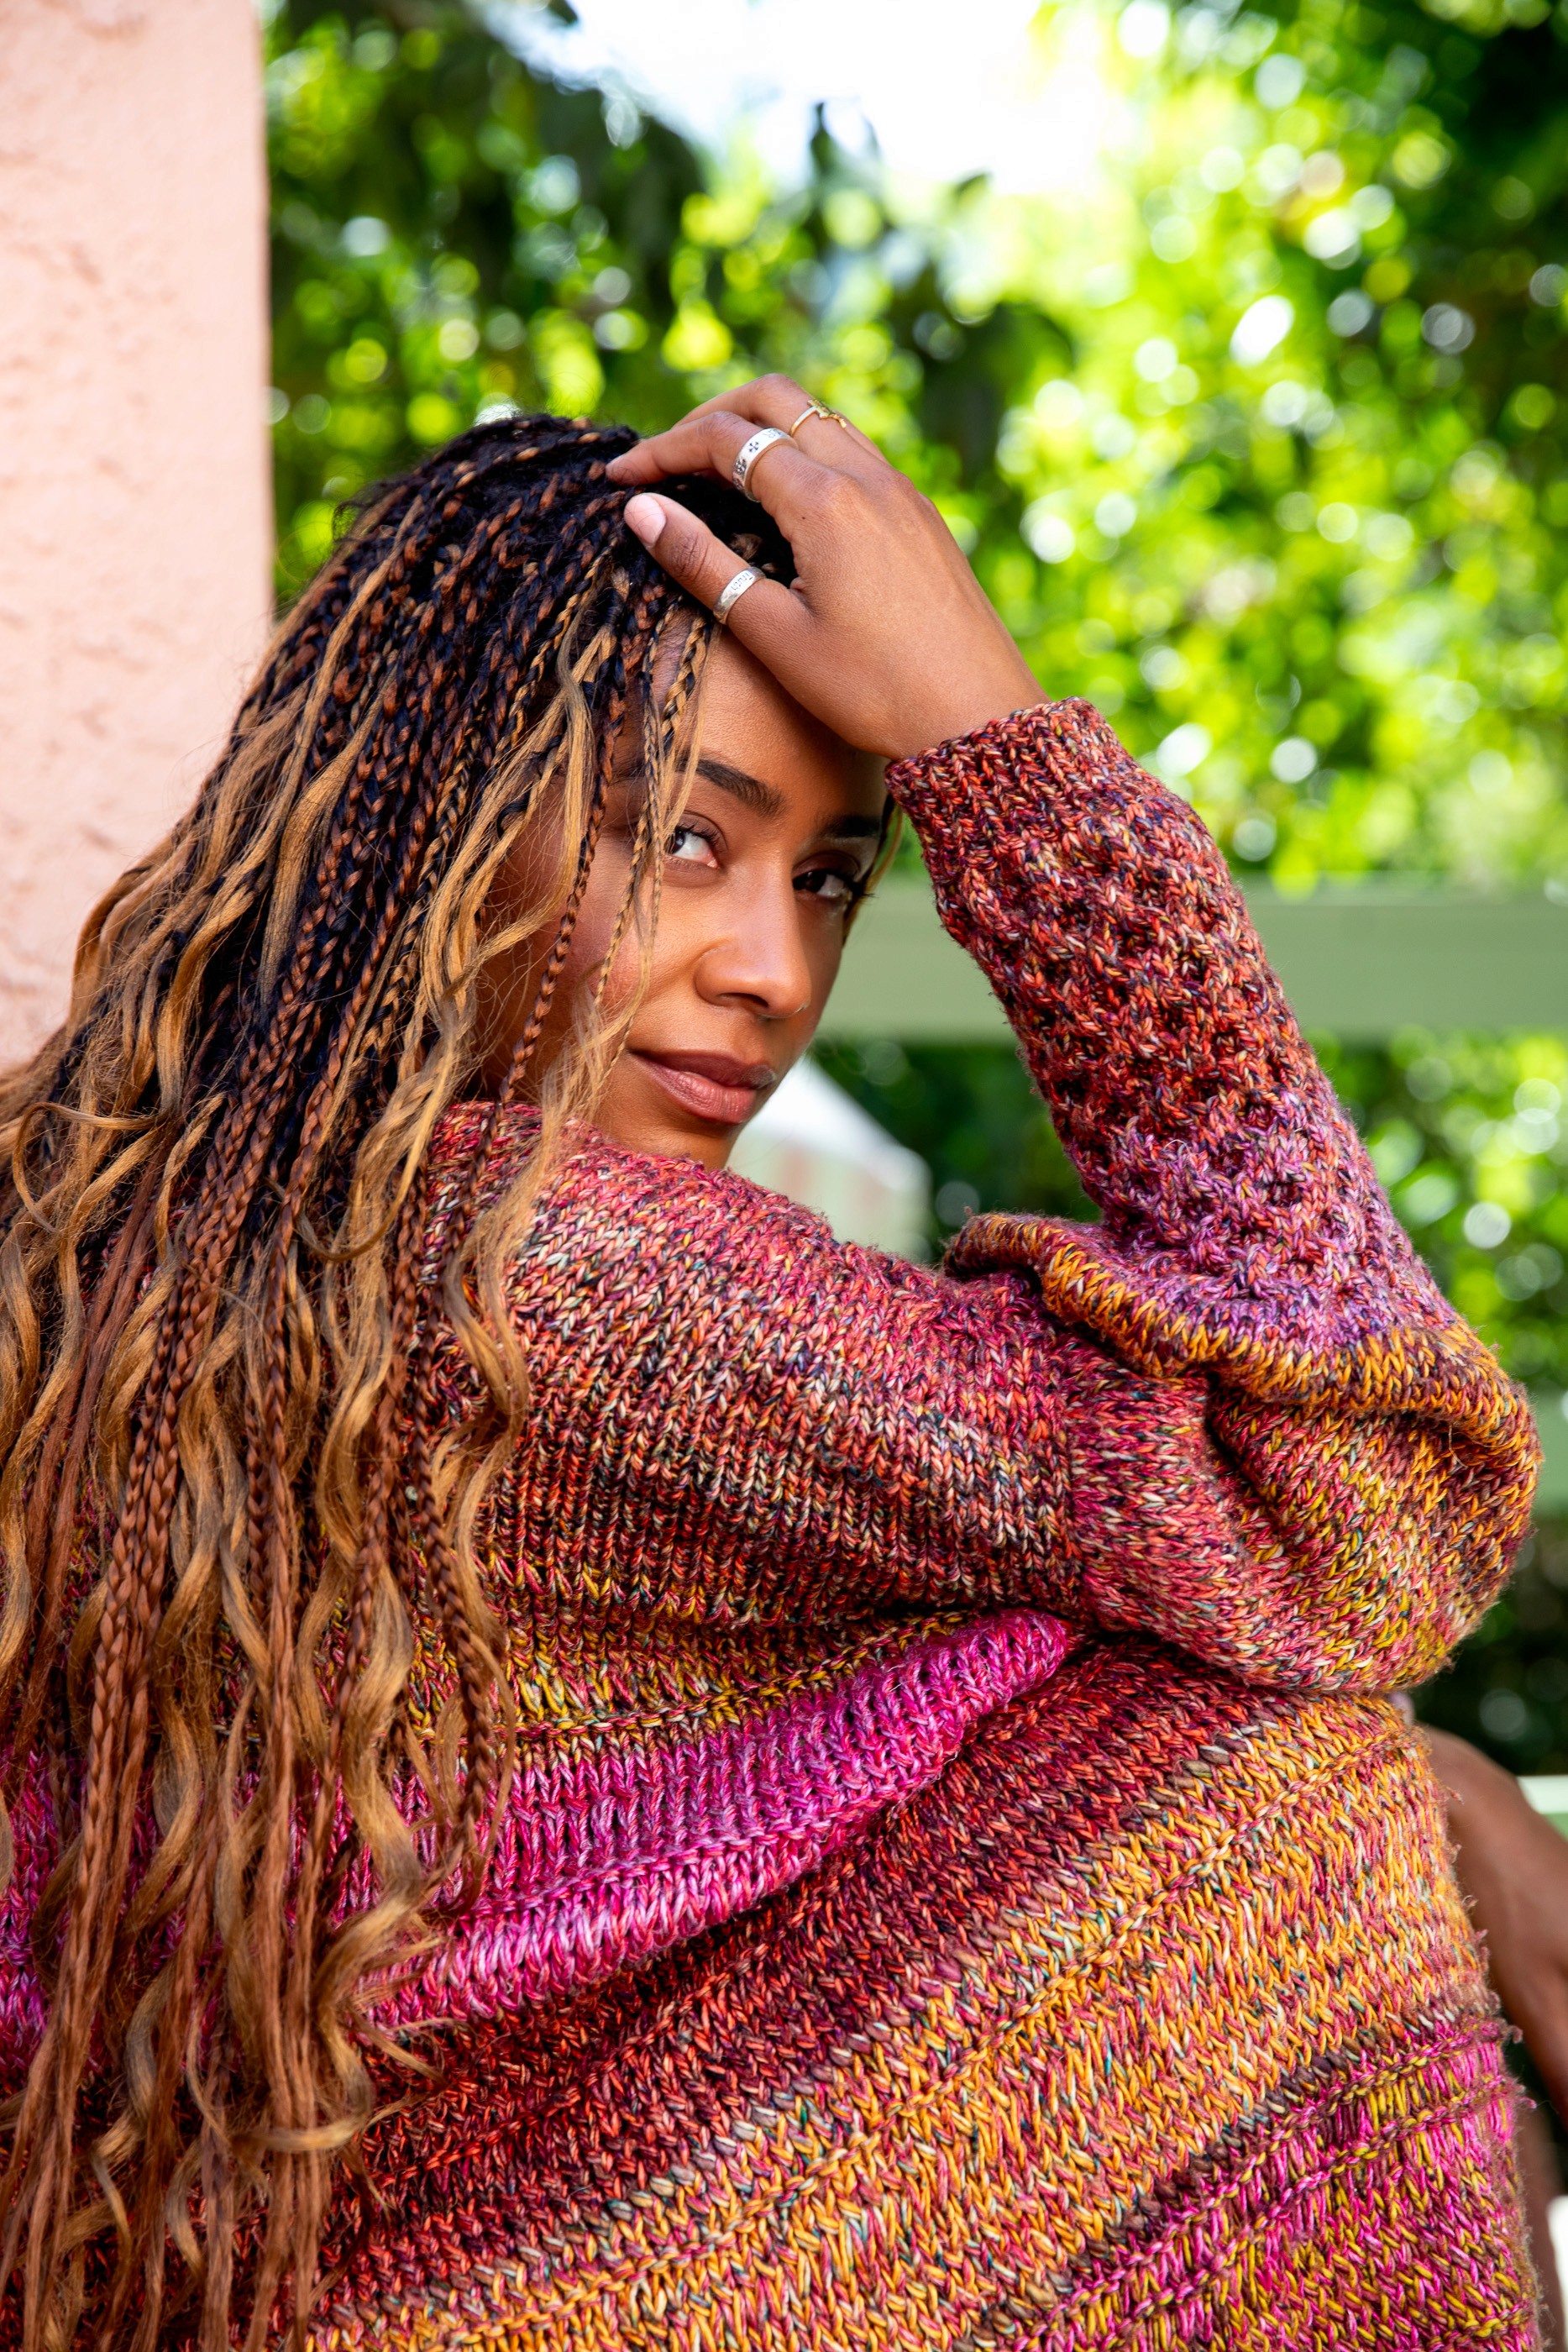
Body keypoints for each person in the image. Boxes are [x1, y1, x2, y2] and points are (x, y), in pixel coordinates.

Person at [0, 379, 1544, 2351]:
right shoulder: (565, 1277)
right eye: (682, 837)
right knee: (1296, 1788)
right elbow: (1364, 1494)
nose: (771, 970)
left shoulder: (127, 1222)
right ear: (434, 818)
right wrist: (1003, 749)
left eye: (825, 872)